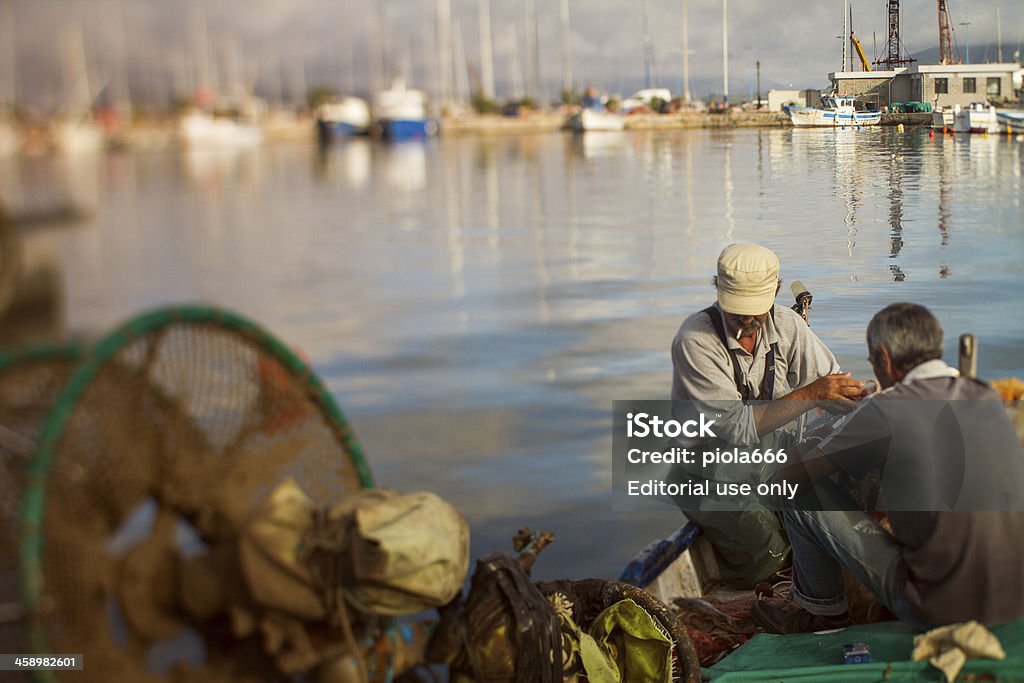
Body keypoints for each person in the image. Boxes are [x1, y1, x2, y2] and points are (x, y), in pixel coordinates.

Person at [751, 303, 1024, 633]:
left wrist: (828, 432)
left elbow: (789, 477)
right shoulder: (985, 395)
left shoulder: (885, 409)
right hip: (1013, 599)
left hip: (938, 607)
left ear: (885, 359)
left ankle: (823, 617)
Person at [670, 243, 865, 587]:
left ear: (775, 292)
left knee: (826, 521)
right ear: (717, 289)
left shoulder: (788, 325)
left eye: (755, 312)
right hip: (709, 475)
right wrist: (812, 394)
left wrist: (872, 400)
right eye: (737, 312)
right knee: (772, 560)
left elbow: (833, 387)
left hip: (768, 461)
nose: (746, 321)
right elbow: (734, 427)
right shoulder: (696, 340)